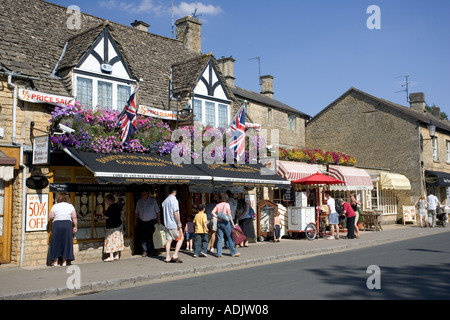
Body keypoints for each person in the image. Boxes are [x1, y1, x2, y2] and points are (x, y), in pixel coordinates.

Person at [48, 193, 77, 267]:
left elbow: (50, 216)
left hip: (57, 224)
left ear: (58, 199)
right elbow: (74, 217)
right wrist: (75, 226)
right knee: (67, 242)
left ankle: (55, 261)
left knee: (56, 242)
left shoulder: (55, 206)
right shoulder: (70, 206)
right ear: (65, 199)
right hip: (67, 224)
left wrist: (57, 216)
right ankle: (64, 261)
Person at [211, 193, 240, 258]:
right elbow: (229, 215)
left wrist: (218, 216)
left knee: (220, 238)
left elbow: (212, 212)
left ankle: (219, 253)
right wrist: (233, 224)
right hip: (226, 222)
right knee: (230, 237)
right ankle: (233, 252)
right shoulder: (227, 205)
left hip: (219, 222)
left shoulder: (218, 205)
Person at [135, 190, 161, 257]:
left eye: (144, 194)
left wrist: (159, 220)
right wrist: (135, 221)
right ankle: (145, 251)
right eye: (142, 194)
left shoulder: (153, 201)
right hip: (142, 221)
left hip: (151, 221)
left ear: (147, 194)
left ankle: (154, 250)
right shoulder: (139, 201)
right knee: (143, 237)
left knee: (153, 237)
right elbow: (136, 213)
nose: (143, 196)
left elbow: (158, 211)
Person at [162, 185, 183, 263]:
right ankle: (175, 255)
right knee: (181, 238)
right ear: (175, 191)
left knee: (169, 240)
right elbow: (175, 213)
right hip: (174, 224)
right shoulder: (174, 200)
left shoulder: (165, 201)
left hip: (167, 224)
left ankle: (167, 257)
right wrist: (179, 223)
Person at [103, 194, 124, 262]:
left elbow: (107, 217)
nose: (105, 202)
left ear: (109, 200)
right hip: (118, 225)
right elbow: (122, 212)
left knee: (110, 240)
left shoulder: (110, 207)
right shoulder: (118, 205)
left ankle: (111, 256)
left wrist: (103, 215)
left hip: (111, 226)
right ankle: (117, 255)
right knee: (117, 240)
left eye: (106, 200)